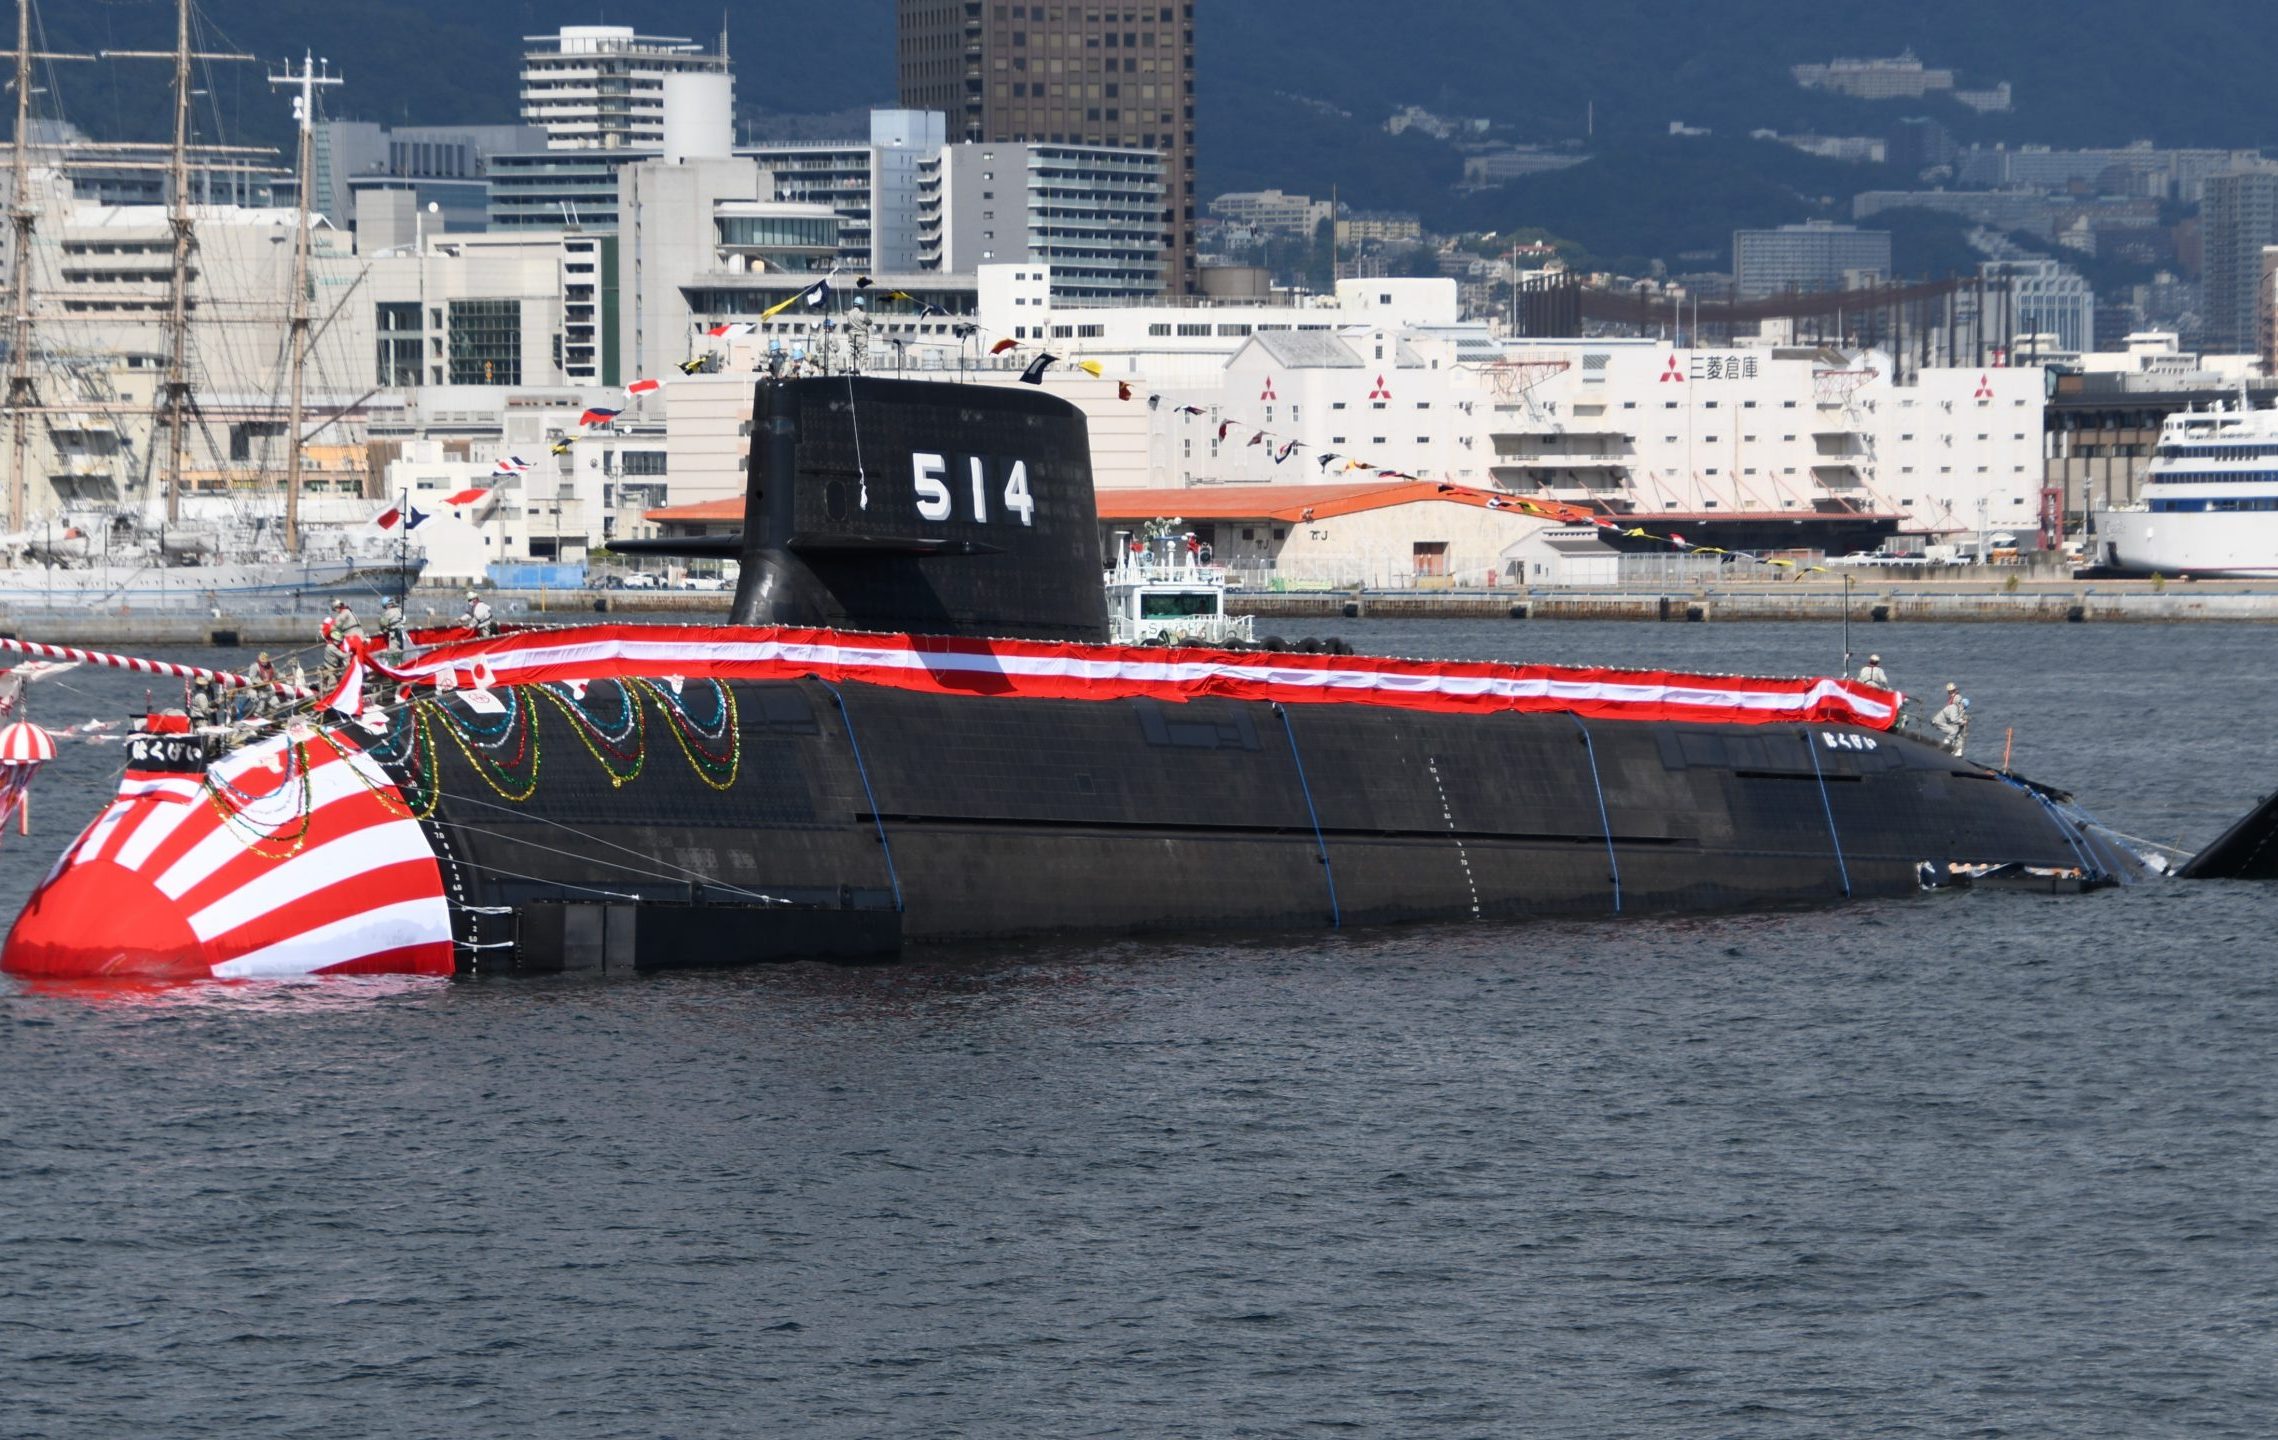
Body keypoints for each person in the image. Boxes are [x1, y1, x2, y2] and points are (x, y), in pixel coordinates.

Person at [1932, 682, 1971, 758]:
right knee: (1956, 734)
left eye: (1951, 691)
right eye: (1949, 691)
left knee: (1957, 735)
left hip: (1956, 719)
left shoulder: (1957, 698)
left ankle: (1955, 749)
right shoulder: (1953, 698)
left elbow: (1958, 709)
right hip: (1954, 719)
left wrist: (1960, 720)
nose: (1950, 693)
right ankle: (1953, 749)